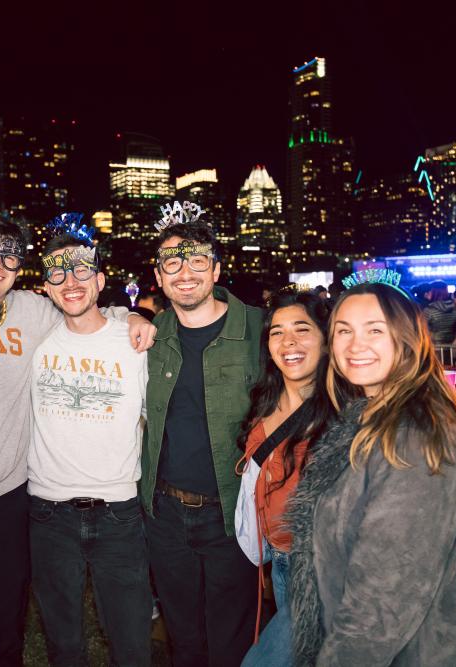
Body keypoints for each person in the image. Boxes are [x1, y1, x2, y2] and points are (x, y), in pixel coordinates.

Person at [0, 216, 155, 667]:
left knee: (6, 631)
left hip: (8, 502)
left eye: (10, 257)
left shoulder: (35, 311)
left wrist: (135, 314)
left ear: (21, 270)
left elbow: (92, 310)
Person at [284, 277, 456, 665]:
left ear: (407, 339)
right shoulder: (368, 420)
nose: (356, 344)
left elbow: (382, 604)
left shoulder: (417, 438)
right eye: (343, 330)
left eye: (375, 330)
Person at [142, 202, 263, 666]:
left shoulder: (259, 328)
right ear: (158, 275)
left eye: (196, 260)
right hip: (165, 513)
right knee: (183, 635)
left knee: (231, 638)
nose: (185, 272)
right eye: (173, 261)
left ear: (215, 267)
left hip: (231, 513)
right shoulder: (149, 335)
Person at [28, 230, 151, 666]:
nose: (71, 281)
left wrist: (136, 317)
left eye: (82, 269)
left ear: (100, 280)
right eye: (57, 273)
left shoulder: (137, 343)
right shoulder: (35, 342)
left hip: (119, 510)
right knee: (63, 644)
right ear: (45, 287)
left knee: (132, 640)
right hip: (48, 512)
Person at [236, 289, 333, 666]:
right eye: (276, 332)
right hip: (279, 560)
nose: (288, 341)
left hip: (320, 568)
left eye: (301, 329)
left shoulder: (344, 411)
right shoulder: (264, 400)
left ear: (326, 339)